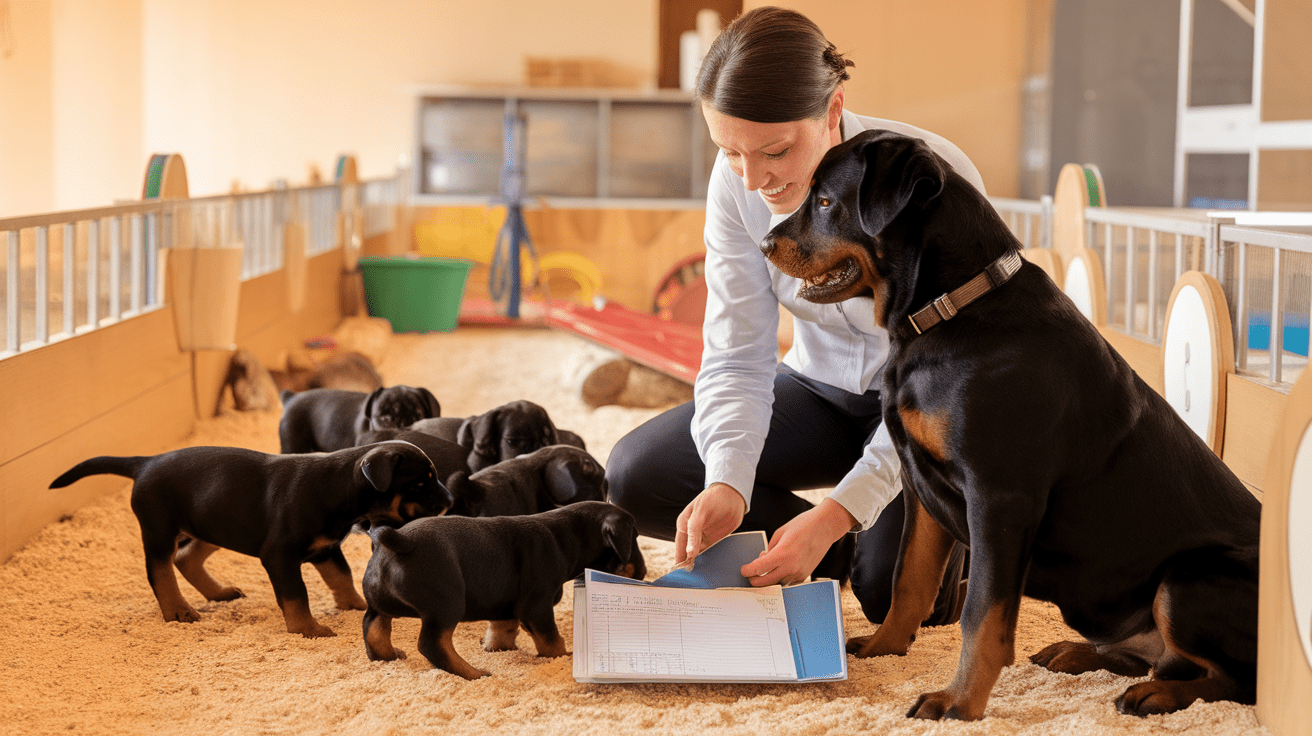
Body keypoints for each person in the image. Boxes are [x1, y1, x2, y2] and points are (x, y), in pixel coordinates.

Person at [607, 6, 980, 627]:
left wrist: (836, 512)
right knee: (636, 474)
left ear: (833, 110)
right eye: (730, 153)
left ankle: (871, 542)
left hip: (926, 407)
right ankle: (823, 552)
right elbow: (735, 353)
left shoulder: (928, 179)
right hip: (819, 389)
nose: (753, 180)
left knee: (896, 598)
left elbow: (948, 379)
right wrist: (728, 481)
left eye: (776, 151)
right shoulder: (737, 185)